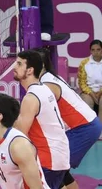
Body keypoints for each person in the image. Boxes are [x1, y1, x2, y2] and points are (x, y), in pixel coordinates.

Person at [38, 48, 102, 189]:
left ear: (39, 65)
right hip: (86, 125)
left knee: (53, 167)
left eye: (23, 63)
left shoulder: (46, 84)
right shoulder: (50, 77)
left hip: (84, 128)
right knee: (60, 167)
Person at [13, 50, 70, 189]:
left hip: (48, 160)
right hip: (59, 157)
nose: (14, 66)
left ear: (30, 70)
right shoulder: (43, 88)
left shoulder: (31, 97)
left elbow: (20, 134)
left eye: (19, 64)